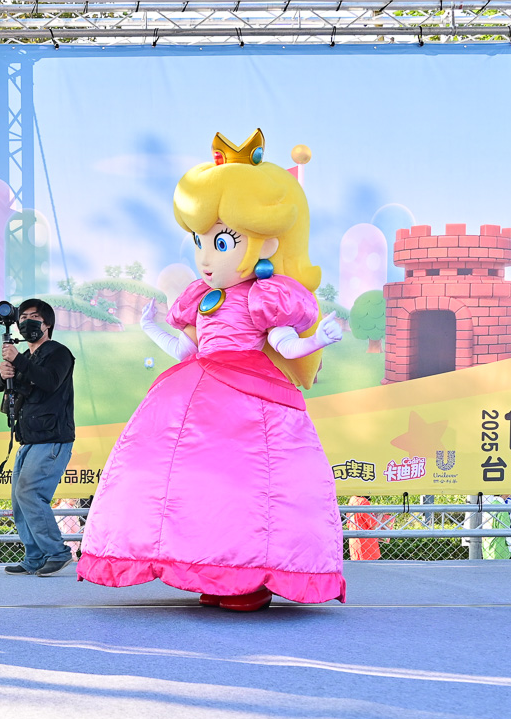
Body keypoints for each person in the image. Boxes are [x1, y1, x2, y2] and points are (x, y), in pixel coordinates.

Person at [78, 129, 345, 612]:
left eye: (221, 242)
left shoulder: (265, 296)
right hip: (194, 384)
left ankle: (248, 576)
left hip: (251, 390)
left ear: (265, 244)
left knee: (247, 480)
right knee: (185, 478)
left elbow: (284, 343)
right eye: (201, 240)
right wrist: (151, 327)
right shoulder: (201, 299)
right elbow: (185, 348)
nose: (205, 257)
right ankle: (207, 566)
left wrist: (318, 340)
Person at [0, 299, 76, 575]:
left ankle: (57, 552)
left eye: (34, 316)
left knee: (30, 493)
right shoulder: (27, 358)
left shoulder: (59, 353)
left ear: (47, 324)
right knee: (19, 499)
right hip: (28, 438)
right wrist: (2, 375)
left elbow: (49, 381)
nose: (27, 321)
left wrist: (17, 361)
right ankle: (35, 556)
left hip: (51, 438)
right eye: (23, 317)